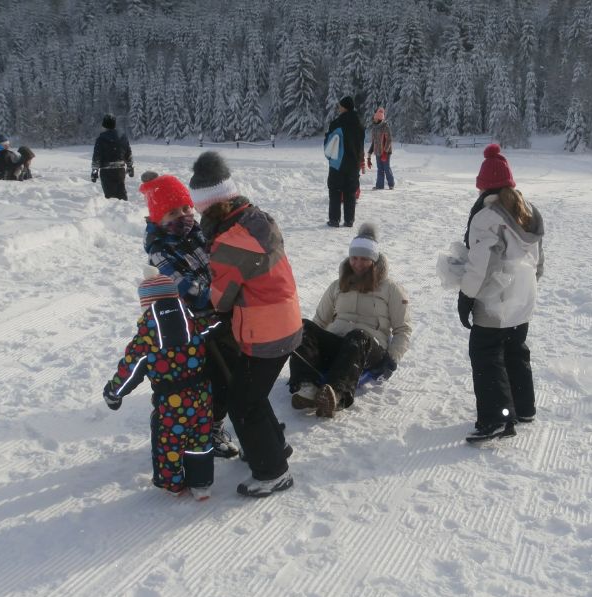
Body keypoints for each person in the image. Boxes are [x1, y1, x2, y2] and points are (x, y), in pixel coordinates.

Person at [189, 150, 302, 498]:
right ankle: (273, 446)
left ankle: (272, 472)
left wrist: (197, 293)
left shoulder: (229, 242)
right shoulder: (258, 220)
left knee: (242, 403)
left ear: (208, 206)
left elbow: (220, 299)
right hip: (285, 321)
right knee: (251, 392)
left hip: (265, 331)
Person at [139, 171, 240, 460]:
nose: (183, 216)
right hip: (196, 326)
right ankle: (210, 428)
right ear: (158, 218)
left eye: (186, 208)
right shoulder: (160, 251)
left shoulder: (199, 232)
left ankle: (240, 421)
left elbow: (221, 262)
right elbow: (188, 289)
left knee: (237, 368)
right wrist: (224, 292)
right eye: (173, 213)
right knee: (217, 378)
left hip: (222, 313)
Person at [102, 267, 215, 501]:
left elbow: (130, 369)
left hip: (172, 404)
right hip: (202, 397)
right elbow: (215, 326)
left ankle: (173, 484)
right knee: (200, 438)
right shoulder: (195, 323)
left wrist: (114, 392)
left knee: (169, 444)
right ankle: (201, 484)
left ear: (146, 305)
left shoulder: (146, 338)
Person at [458, 144, 545, 442]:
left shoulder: (486, 217)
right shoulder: (527, 212)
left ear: (483, 185)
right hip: (524, 297)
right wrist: (525, 290)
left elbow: (480, 265)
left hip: (495, 301)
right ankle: (523, 407)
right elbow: (539, 262)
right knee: (515, 350)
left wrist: (466, 296)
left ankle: (497, 417)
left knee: (485, 353)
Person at [288, 223, 412, 418]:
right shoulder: (337, 286)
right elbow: (319, 321)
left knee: (358, 336)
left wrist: (392, 358)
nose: (358, 264)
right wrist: (310, 346)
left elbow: (403, 329)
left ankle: (336, 394)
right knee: (303, 326)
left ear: (374, 260)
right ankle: (307, 386)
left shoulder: (391, 289)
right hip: (339, 344)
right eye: (354, 258)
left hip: (370, 349)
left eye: (364, 259)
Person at [323, 96, 365, 228]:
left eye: (340, 106)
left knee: (335, 190)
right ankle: (349, 220)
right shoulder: (359, 125)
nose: (339, 108)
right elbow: (361, 146)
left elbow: (328, 143)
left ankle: (334, 220)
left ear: (345, 107)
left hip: (338, 163)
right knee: (350, 192)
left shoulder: (337, 123)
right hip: (354, 164)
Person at [91, 113, 134, 200]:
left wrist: (95, 171)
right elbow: (128, 153)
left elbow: (97, 156)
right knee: (121, 194)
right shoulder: (122, 137)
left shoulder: (101, 139)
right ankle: (124, 207)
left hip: (106, 171)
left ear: (104, 125)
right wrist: (130, 167)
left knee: (110, 197)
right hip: (120, 170)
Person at [366, 107, 394, 190]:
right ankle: (379, 185)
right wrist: (369, 157)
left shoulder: (385, 126)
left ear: (379, 118)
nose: (374, 119)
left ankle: (391, 184)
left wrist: (385, 152)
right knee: (380, 169)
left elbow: (389, 139)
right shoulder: (374, 128)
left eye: (375, 118)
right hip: (378, 151)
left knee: (386, 168)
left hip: (386, 152)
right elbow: (373, 142)